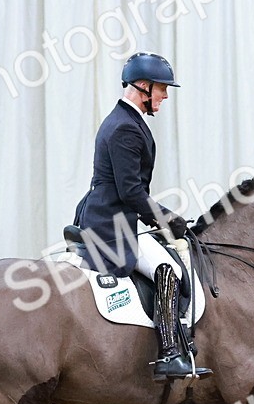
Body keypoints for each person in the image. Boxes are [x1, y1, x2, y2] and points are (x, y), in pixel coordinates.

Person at [72, 52, 212, 383]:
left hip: (113, 217)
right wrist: (167, 219)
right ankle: (169, 355)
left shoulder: (124, 120)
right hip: (110, 224)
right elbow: (131, 192)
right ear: (143, 86)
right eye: (162, 89)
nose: (165, 96)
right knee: (168, 269)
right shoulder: (126, 127)